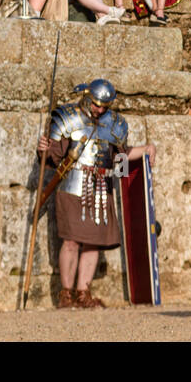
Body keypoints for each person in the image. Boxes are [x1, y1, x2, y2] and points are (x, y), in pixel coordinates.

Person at [37, 80, 155, 308]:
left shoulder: (116, 124)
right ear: (87, 97)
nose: (99, 110)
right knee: (71, 241)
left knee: (93, 243)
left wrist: (147, 149)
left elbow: (119, 159)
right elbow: (52, 158)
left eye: (104, 106)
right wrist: (43, 150)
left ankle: (83, 293)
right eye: (96, 105)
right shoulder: (67, 117)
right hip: (72, 185)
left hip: (101, 187)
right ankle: (66, 294)